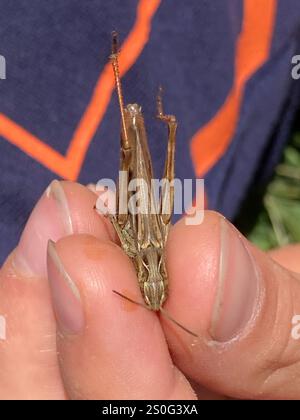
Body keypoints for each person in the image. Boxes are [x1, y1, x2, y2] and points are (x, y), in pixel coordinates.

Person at [1, 0, 300, 400]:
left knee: (126, 158)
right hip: (150, 212)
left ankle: (131, 91)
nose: (153, 288)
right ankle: (135, 94)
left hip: (136, 209)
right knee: (137, 154)